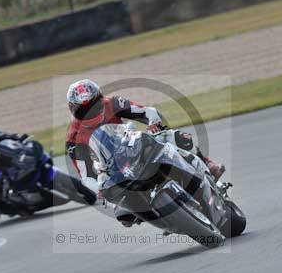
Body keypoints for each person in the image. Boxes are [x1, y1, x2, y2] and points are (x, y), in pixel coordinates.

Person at [65, 79, 225, 192]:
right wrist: (99, 188)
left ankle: (207, 163)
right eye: (84, 109)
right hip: (113, 170)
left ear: (100, 98)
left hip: (134, 146)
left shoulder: (112, 103)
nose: (90, 111)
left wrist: (153, 123)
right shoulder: (73, 137)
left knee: (173, 136)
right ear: (73, 109)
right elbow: (86, 175)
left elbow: (147, 112)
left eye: (94, 104)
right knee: (121, 212)